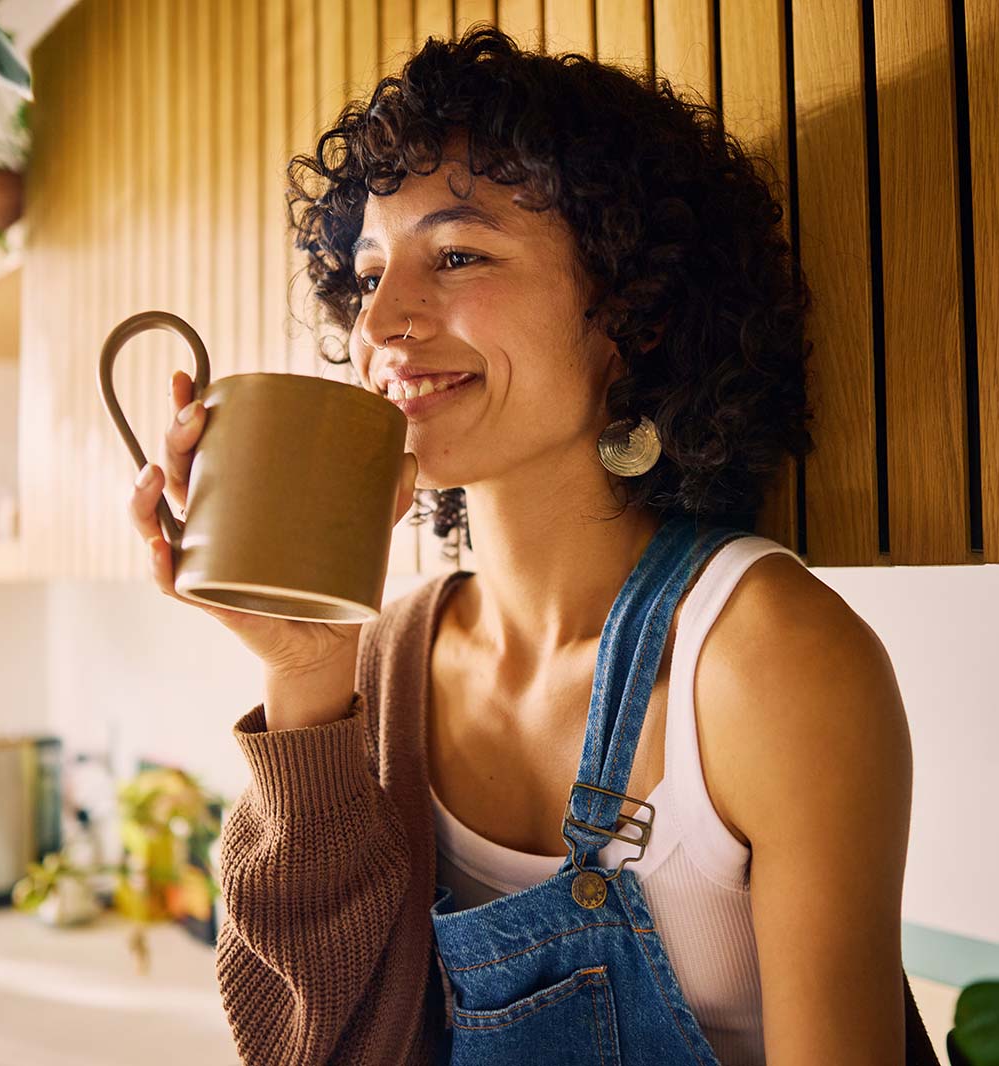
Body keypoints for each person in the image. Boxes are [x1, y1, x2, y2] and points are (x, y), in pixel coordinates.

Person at [129, 25, 919, 1066]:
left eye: (457, 255)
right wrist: (306, 674)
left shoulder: (767, 658)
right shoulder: (387, 658)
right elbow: (308, 1046)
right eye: (367, 275)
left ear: (632, 313)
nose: (381, 323)